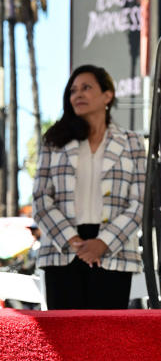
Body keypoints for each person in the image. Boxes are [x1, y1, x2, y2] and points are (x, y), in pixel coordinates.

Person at [32, 65, 145, 309]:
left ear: (108, 95)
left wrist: (102, 243)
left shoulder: (132, 142)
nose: (78, 95)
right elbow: (41, 199)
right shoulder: (54, 140)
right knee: (64, 342)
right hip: (62, 249)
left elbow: (141, 202)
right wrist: (74, 242)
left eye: (86, 87)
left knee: (106, 340)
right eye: (73, 90)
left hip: (114, 251)